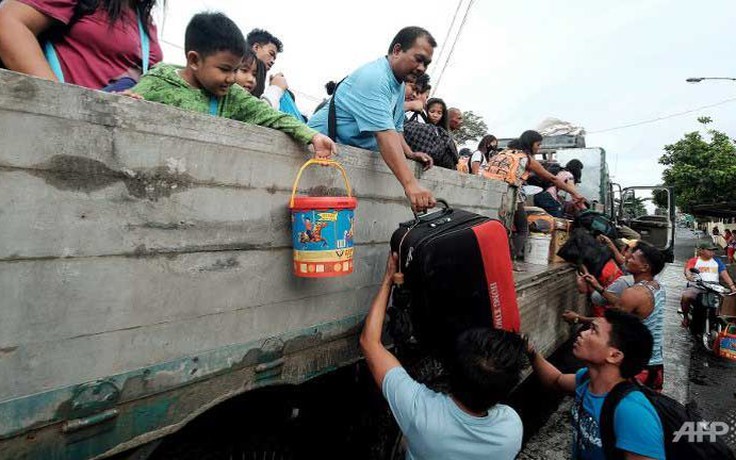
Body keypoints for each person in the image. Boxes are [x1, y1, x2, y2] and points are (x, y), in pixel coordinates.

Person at [360, 252, 526, 460]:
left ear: (448, 371)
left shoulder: (421, 414)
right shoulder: (511, 429)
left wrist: (387, 281)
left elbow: (369, 342)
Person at [132, 12, 335, 159]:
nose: (231, 78)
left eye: (235, 70)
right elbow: (128, 104)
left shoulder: (231, 95)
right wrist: (130, 101)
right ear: (194, 61)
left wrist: (312, 135)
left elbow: (271, 116)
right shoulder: (157, 80)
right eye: (224, 69)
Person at [308, 26, 438, 212]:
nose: (422, 68)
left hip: (342, 155)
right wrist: (411, 185)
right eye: (418, 59)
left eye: (426, 64)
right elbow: (385, 135)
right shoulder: (375, 78)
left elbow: (396, 127)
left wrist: (409, 153)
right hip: (318, 151)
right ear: (397, 50)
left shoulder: (399, 85)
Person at [528, 308, 665, 459]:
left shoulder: (633, 412)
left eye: (593, 330)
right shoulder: (586, 380)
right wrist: (531, 352)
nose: (583, 333)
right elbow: (556, 380)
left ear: (614, 355)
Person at [565, 242, 667, 391]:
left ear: (645, 267)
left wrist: (578, 319)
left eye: (632, 258)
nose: (626, 258)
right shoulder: (656, 286)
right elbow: (624, 305)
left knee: (613, 406)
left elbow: (611, 324)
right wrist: (599, 287)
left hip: (637, 367)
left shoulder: (633, 293)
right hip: (655, 362)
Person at [0, 0, 163, 90]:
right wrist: (60, 101)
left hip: (110, 133)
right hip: (62, 128)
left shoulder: (146, 24)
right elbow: (9, 24)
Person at [486, 130, 585, 263]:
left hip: (486, 192)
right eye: (538, 145)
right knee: (522, 229)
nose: (538, 148)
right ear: (531, 144)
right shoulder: (525, 158)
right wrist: (574, 193)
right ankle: (507, 262)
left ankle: (493, 257)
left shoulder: (504, 152)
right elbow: (552, 178)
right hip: (508, 194)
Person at [680, 242, 736, 327]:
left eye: (713, 250)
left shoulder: (717, 261)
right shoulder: (694, 260)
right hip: (698, 286)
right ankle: (685, 317)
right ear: (701, 251)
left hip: (714, 287)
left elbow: (725, 275)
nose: (712, 252)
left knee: (728, 300)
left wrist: (732, 286)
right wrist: (689, 276)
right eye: (710, 250)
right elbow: (688, 269)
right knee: (686, 296)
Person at [246, 28, 282, 98]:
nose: (272, 61)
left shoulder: (260, 79)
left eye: (274, 59)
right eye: (271, 54)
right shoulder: (234, 64)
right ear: (256, 47)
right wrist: (276, 88)